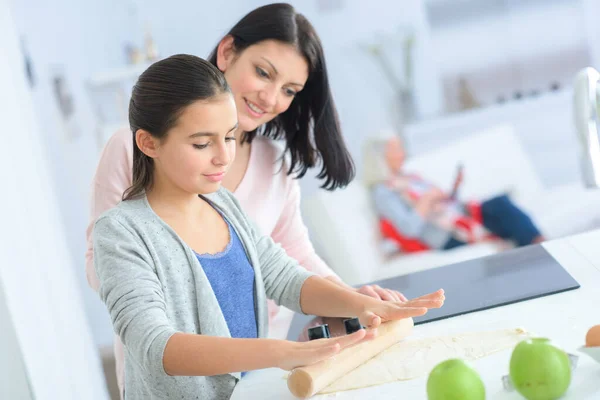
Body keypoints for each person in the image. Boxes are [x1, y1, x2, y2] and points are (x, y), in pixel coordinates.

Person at [86, 4, 406, 395]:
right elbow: (148, 334)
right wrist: (270, 351)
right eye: (263, 73)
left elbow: (287, 268)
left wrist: (354, 302)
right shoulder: (124, 207)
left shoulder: (238, 193)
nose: (271, 98)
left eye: (289, 90)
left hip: (257, 377)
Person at [364, 135, 545, 252]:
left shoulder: (409, 177)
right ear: (380, 157)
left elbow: (445, 205)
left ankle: (540, 246)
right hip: (446, 235)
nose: (402, 153)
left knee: (500, 203)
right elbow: (409, 229)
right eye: (396, 150)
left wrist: (453, 191)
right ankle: (541, 249)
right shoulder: (383, 191)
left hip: (460, 215)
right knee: (501, 208)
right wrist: (426, 200)